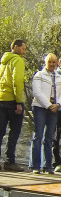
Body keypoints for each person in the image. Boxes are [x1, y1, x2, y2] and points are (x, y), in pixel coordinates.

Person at [31, 53, 61, 174]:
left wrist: (58, 105)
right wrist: (48, 105)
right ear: (45, 62)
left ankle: (48, 166)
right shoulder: (39, 75)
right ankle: (36, 165)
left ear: (57, 63)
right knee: (38, 136)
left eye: (54, 62)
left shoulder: (59, 77)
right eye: (49, 62)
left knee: (49, 138)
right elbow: (37, 92)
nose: (51, 64)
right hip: (40, 107)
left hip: (54, 110)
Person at [0, 39, 27, 172]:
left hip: (1, 99)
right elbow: (17, 82)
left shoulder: (3, 61)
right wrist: (18, 102)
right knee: (14, 131)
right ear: (16, 47)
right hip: (12, 100)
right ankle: (9, 161)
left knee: (0, 131)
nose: (24, 52)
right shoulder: (18, 60)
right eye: (23, 49)